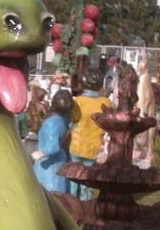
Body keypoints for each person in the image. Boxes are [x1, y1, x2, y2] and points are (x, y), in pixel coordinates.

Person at [69, 69, 111, 200]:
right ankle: (86, 204)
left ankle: (72, 205)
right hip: (93, 146)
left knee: (73, 178)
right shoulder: (106, 102)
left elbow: (72, 120)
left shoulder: (78, 101)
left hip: (76, 145)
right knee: (88, 180)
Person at [31, 89, 73, 193]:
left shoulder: (52, 122)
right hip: (58, 163)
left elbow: (53, 147)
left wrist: (40, 154)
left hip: (49, 166)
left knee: (47, 196)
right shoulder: (62, 120)